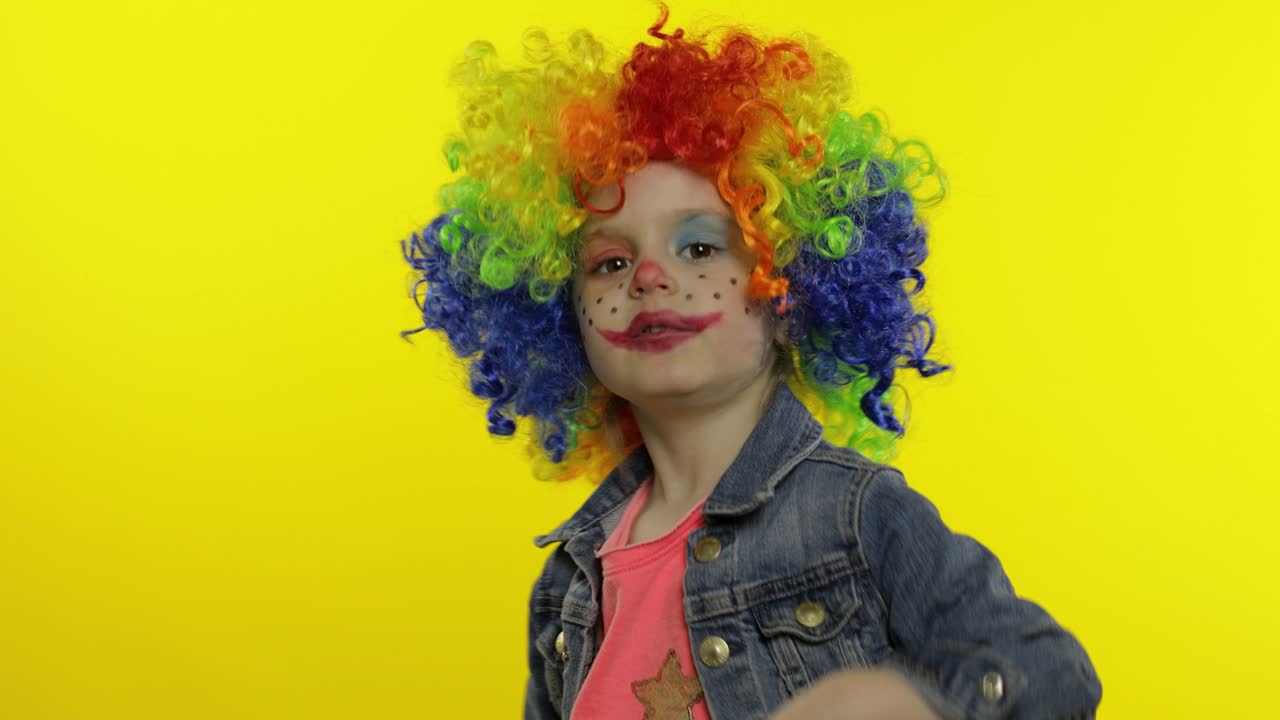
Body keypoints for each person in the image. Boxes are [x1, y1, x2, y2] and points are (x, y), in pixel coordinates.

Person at [400, 5, 1102, 719]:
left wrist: (897, 700)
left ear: (791, 285)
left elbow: (1050, 674)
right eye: (610, 262)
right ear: (558, 310)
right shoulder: (569, 580)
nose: (649, 277)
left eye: (700, 247)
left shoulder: (857, 516)